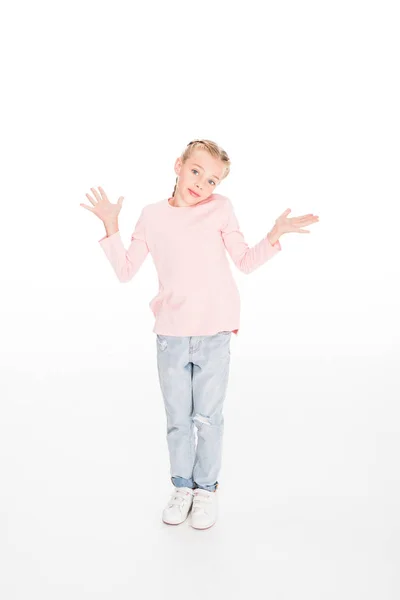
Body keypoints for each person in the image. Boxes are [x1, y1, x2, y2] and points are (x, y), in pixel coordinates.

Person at [80, 139, 319, 530]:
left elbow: (244, 261)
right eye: (196, 172)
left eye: (212, 180)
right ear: (178, 165)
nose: (202, 184)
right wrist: (111, 226)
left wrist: (275, 234)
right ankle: (182, 487)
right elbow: (126, 271)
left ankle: (206, 490)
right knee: (177, 418)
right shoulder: (152, 216)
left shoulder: (220, 209)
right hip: (171, 335)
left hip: (214, 332)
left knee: (207, 418)